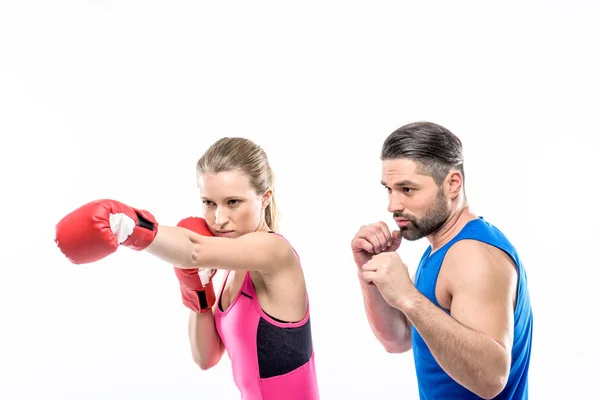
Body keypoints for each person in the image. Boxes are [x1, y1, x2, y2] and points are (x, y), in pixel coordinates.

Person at [54, 137, 320, 400]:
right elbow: (206, 357)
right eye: (209, 203)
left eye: (233, 202)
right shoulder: (232, 267)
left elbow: (194, 250)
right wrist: (198, 291)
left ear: (264, 198)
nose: (219, 219)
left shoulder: (275, 252)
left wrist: (126, 226)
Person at [352, 122, 533, 399]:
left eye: (407, 189)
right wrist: (369, 270)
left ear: (452, 184)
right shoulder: (440, 247)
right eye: (389, 189)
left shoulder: (472, 254)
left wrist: (408, 296)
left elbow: (490, 378)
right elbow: (398, 340)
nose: (392, 205)